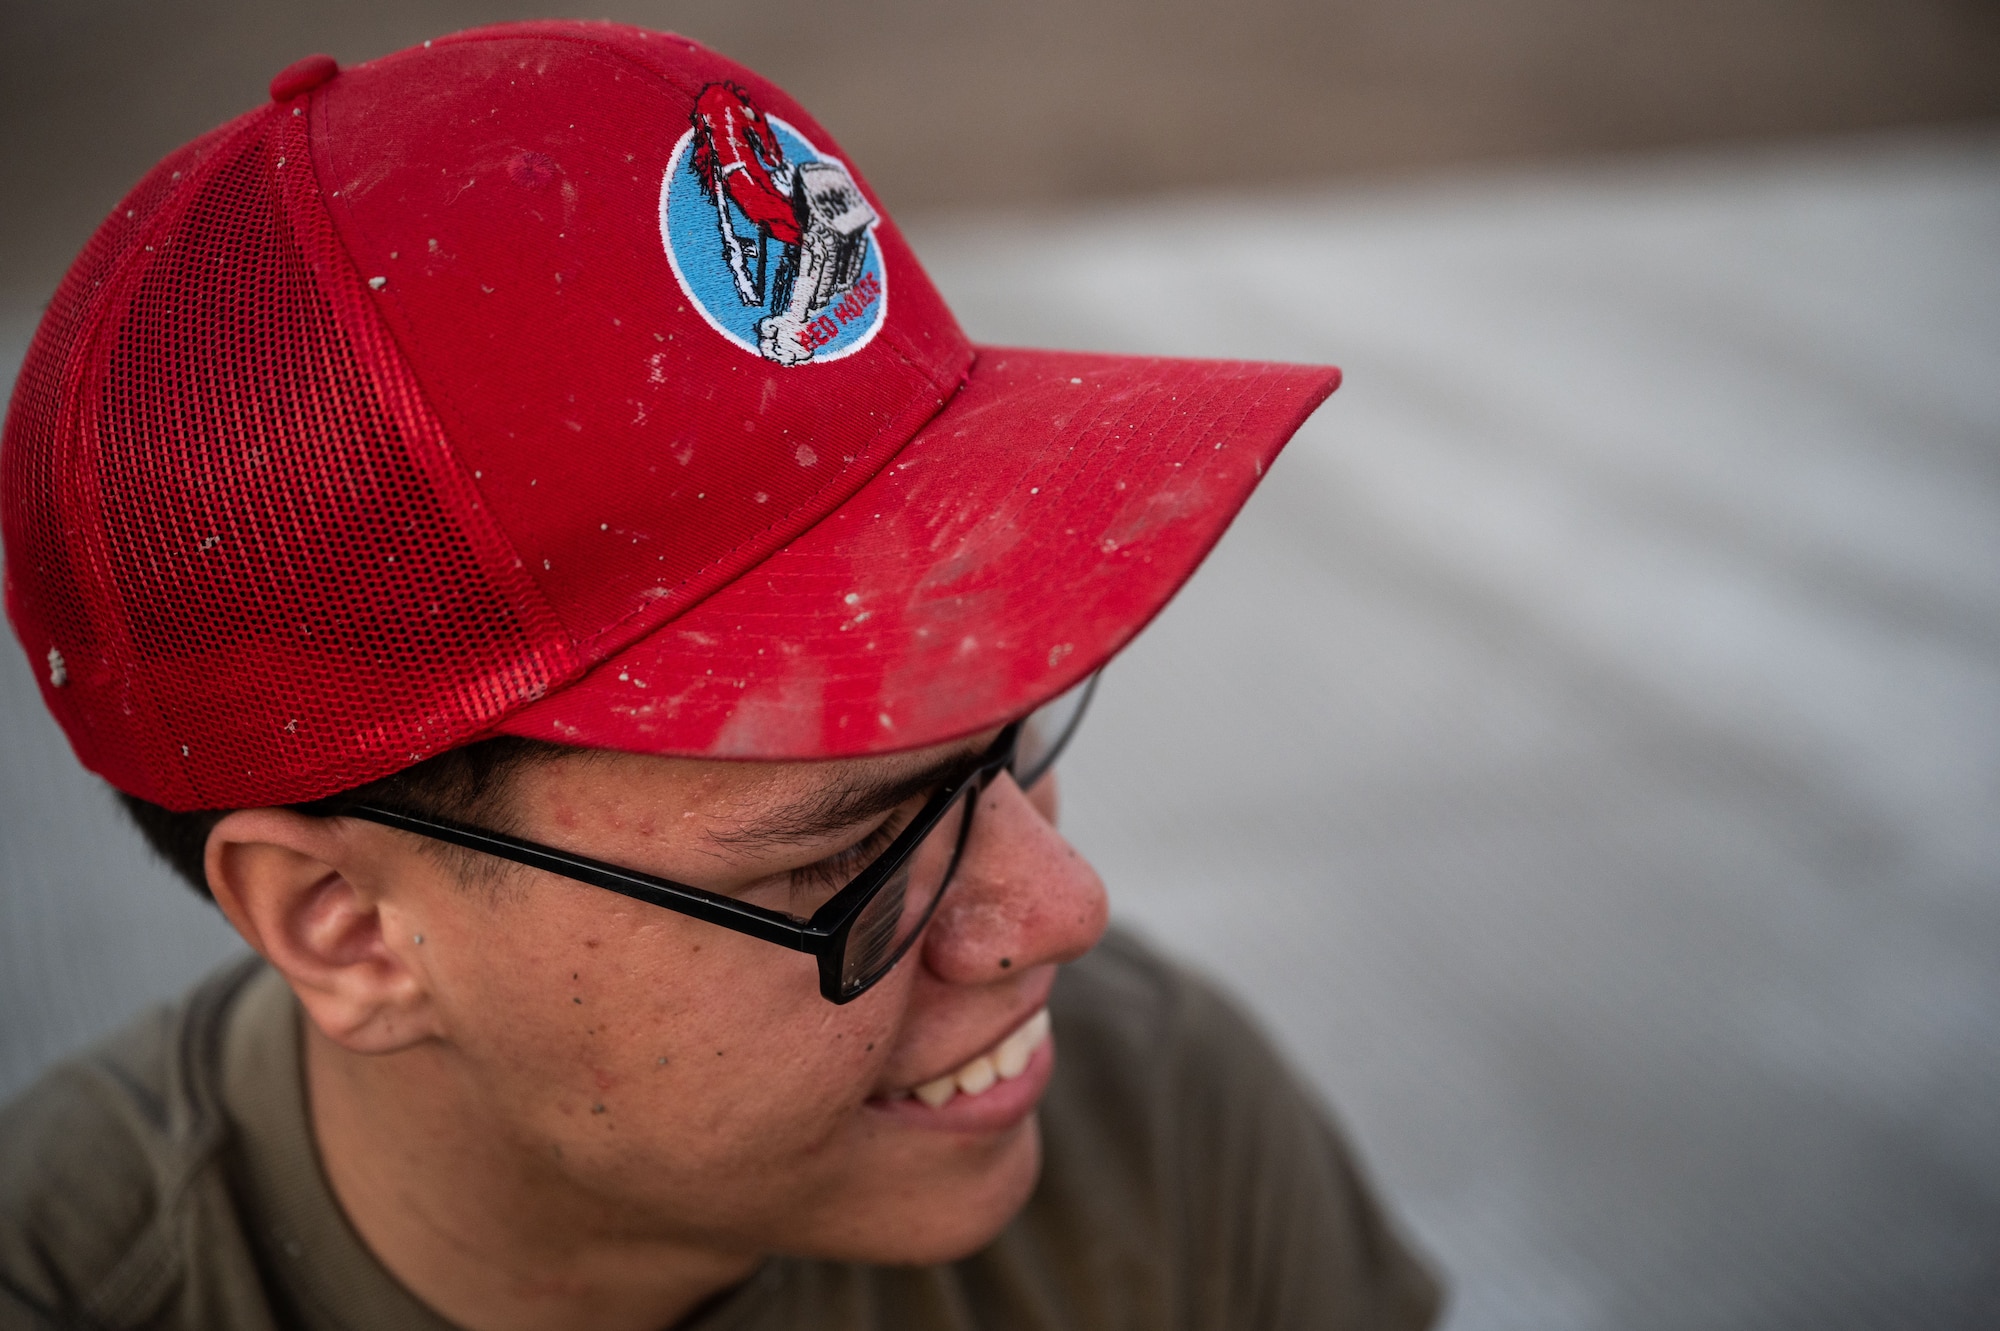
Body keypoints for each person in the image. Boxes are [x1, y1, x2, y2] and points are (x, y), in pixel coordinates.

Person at [0, 20, 1440, 1331]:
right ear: (347, 929)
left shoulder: (1160, 1120)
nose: (1062, 913)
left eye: (1011, 733)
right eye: (850, 863)